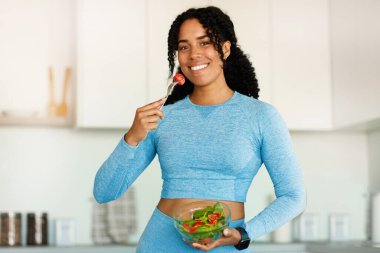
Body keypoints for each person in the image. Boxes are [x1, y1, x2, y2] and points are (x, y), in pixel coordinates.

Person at [93, 6, 306, 253]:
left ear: (225, 49)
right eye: (184, 47)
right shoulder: (163, 116)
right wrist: (131, 137)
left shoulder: (261, 116)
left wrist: (243, 234)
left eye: (204, 43)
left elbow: (293, 196)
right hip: (160, 244)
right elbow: (103, 192)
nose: (194, 54)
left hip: (224, 247)